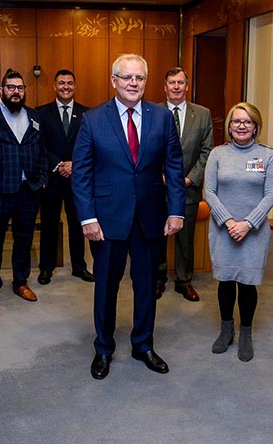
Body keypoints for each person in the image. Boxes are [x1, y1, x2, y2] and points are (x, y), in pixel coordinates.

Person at [72, 54, 186, 380]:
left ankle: (143, 345)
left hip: (150, 217)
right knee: (106, 287)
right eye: (127, 78)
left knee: (147, 286)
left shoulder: (162, 118)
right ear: (114, 81)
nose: (133, 84)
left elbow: (174, 168)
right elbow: (81, 174)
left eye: (139, 78)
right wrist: (87, 218)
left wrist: (176, 210)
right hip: (107, 220)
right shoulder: (93, 120)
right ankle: (104, 348)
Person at [203, 102, 273, 361]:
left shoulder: (267, 155)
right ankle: (227, 330)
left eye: (247, 122)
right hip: (223, 230)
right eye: (236, 121)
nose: (241, 126)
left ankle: (245, 332)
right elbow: (209, 192)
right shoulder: (217, 154)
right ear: (229, 126)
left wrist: (247, 223)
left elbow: (270, 196)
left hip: (254, 232)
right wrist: (228, 222)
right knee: (225, 281)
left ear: (256, 125)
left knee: (247, 283)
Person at [0, 69, 48, 307]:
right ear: (2, 90)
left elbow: (41, 148)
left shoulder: (33, 115)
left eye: (20, 88)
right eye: (11, 87)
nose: (16, 92)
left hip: (28, 189)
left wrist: (41, 180)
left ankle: (20, 281)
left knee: (24, 238)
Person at [156, 67, 214, 301]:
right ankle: (158, 278)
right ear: (165, 86)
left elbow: (206, 150)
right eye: (172, 83)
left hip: (189, 187)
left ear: (187, 86)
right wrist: (156, 176)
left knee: (185, 238)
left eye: (181, 82)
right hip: (157, 187)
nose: (176, 87)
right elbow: (144, 149)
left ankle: (184, 280)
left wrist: (191, 178)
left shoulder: (202, 114)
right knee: (156, 236)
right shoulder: (152, 112)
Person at [36, 69, 94, 285]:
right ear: (54, 86)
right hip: (52, 179)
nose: (66, 86)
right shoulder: (41, 113)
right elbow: (40, 145)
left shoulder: (87, 114)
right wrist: (58, 164)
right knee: (49, 224)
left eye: (70, 83)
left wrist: (74, 165)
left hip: (78, 179)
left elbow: (90, 146)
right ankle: (46, 268)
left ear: (75, 86)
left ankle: (79, 267)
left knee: (79, 223)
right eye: (61, 83)